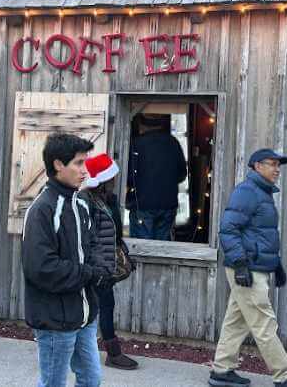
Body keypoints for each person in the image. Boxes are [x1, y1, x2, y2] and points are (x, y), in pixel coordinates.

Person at [210, 149, 287, 387]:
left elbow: (259, 236)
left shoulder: (261, 193)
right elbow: (228, 229)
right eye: (272, 164)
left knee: (237, 320)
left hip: (254, 266)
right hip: (246, 269)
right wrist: (240, 265)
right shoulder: (247, 192)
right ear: (257, 166)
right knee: (264, 323)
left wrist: (275, 265)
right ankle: (283, 376)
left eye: (279, 165)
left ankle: (222, 370)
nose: (277, 169)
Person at [22, 133, 112, 387]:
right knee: (53, 383)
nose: (85, 171)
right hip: (54, 320)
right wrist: (89, 273)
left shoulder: (81, 204)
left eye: (86, 162)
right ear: (59, 165)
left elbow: (93, 245)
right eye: (79, 163)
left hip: (83, 314)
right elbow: (40, 268)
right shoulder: (42, 209)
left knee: (91, 380)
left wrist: (101, 268)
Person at [84, 153, 138, 370]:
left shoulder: (107, 200)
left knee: (103, 306)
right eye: (112, 178)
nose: (115, 181)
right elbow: (85, 236)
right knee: (98, 306)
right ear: (102, 180)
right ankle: (113, 354)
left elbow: (115, 231)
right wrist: (93, 263)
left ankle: (108, 353)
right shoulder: (86, 202)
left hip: (105, 263)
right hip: (95, 265)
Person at [126, 113, 187, 240]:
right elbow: (182, 175)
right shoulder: (173, 142)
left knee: (141, 248)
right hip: (168, 203)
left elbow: (129, 176)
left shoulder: (136, 144)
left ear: (142, 125)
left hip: (142, 203)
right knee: (162, 248)